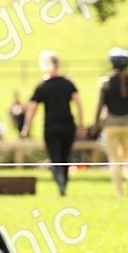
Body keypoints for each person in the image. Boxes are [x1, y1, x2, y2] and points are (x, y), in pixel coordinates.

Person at [20, 50, 84, 196]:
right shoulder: (68, 83)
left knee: (55, 156)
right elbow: (79, 103)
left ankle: (60, 181)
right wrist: (81, 123)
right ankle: (64, 183)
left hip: (51, 127)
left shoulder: (43, 85)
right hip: (68, 126)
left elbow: (32, 108)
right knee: (65, 156)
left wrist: (26, 127)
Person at [92, 48, 128, 197]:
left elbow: (98, 108)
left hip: (110, 125)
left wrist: (95, 127)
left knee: (114, 159)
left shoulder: (105, 82)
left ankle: (120, 192)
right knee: (126, 158)